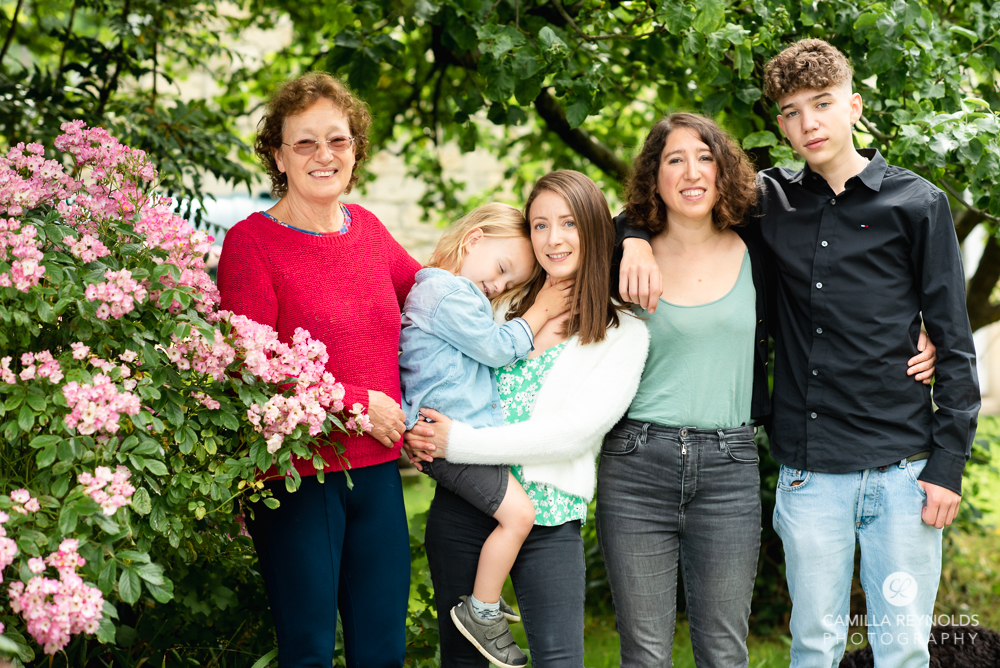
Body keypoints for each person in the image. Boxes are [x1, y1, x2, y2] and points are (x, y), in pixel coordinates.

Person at [618, 39, 979, 668]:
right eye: (791, 112)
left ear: (853, 106)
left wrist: (947, 464)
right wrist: (633, 239)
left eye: (822, 103)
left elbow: (953, 340)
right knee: (814, 644)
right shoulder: (765, 201)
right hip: (811, 473)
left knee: (902, 647)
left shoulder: (919, 204)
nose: (808, 122)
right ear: (781, 125)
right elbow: (678, 200)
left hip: (904, 470)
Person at [404, 170, 650, 667]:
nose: (553, 238)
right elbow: (436, 368)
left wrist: (456, 443)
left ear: (595, 228)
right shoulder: (498, 304)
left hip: (548, 513)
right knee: (462, 660)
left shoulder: (623, 333)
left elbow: (573, 434)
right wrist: (419, 429)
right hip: (466, 502)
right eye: (540, 225)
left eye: (568, 223)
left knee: (560, 660)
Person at [216, 72, 420, 667]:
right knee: (307, 652)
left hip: (377, 470)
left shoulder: (368, 230)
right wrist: (356, 403)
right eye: (304, 143)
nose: (323, 155)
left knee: (383, 651)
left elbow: (433, 301)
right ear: (278, 156)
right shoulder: (251, 244)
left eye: (337, 140)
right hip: (297, 475)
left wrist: (523, 281)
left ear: (355, 149)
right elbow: (250, 369)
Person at [596, 112, 770, 668]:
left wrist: (918, 326)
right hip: (635, 464)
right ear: (655, 176)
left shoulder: (759, 247)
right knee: (645, 654)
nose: (692, 172)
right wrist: (633, 240)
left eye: (705, 157)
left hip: (729, 467)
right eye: (675, 159)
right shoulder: (621, 254)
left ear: (723, 171)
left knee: (724, 651)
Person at [399, 202, 575, 667]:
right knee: (520, 515)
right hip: (452, 446)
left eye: (511, 284)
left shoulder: (450, 295)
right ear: (473, 239)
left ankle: (485, 603)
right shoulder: (445, 293)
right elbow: (497, 349)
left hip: (454, 442)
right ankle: (482, 611)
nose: (499, 285)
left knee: (514, 514)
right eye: (501, 269)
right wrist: (541, 309)